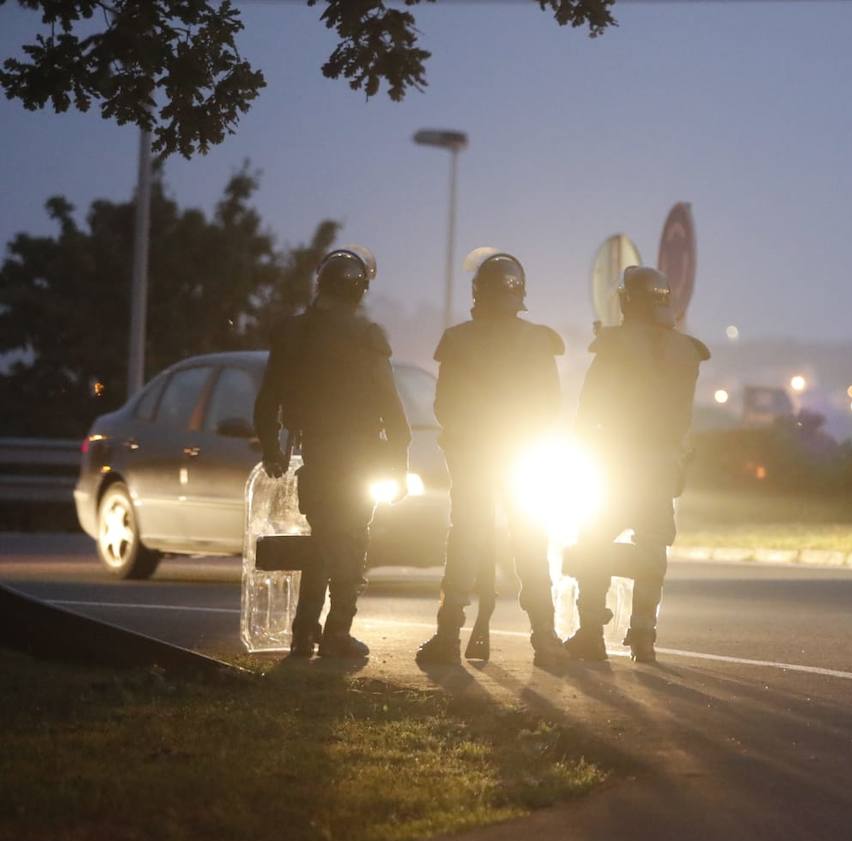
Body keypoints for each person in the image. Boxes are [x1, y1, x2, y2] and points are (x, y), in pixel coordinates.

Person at [254, 245, 411, 660]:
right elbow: (391, 406)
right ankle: (336, 632)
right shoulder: (367, 337)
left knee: (323, 541)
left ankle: (305, 632)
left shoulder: (292, 333)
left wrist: (272, 448)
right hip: (360, 458)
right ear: (359, 291)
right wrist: (399, 463)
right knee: (351, 545)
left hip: (319, 456)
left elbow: (267, 399)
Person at [415, 252, 567, 666]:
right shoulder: (539, 340)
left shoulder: (458, 340)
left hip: (476, 457)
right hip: (523, 456)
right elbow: (551, 406)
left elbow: (444, 407)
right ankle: (546, 637)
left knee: (464, 540)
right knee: (532, 545)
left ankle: (447, 636)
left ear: (478, 292)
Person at [562, 266, 710, 663]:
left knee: (592, 540)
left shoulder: (614, 345)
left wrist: (580, 446)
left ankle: (591, 631)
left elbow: (589, 406)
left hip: (614, 460)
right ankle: (644, 634)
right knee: (653, 545)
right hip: (663, 463)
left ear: (629, 301)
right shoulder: (686, 351)